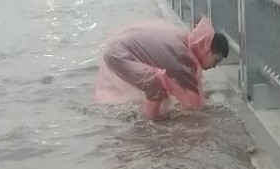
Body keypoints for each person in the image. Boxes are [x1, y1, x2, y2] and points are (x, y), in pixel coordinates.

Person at [95, 17, 229, 120]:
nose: (214, 66)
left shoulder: (185, 43)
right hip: (119, 55)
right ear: (207, 49)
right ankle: (150, 124)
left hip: (119, 51)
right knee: (155, 85)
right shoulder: (183, 55)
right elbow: (193, 99)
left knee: (158, 87)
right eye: (216, 60)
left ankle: (150, 120)